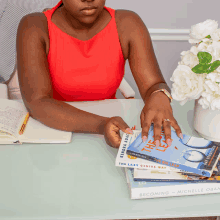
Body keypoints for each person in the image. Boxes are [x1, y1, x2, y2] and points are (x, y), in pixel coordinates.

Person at [16, 0, 183, 148]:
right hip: (55, 134)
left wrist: (159, 95)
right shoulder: (34, 26)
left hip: (108, 134)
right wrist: (101, 125)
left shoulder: (127, 23)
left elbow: (153, 85)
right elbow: (37, 102)